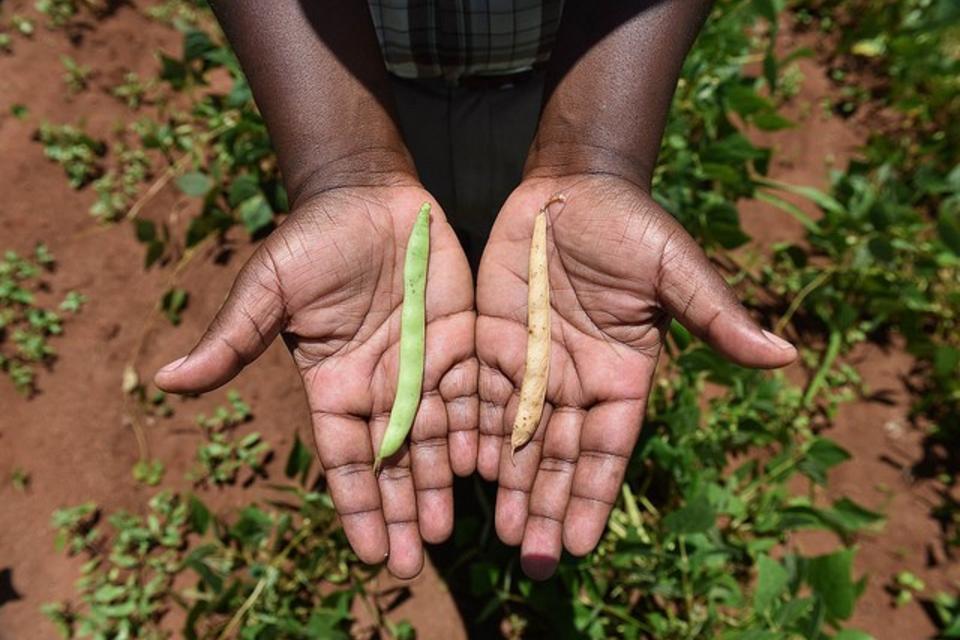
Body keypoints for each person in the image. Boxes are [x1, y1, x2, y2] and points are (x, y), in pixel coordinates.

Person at [154, 0, 797, 581]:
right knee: (443, 259)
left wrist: (596, 156)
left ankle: (477, 433)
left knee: (506, 238)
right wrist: (340, 169)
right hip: (337, 85)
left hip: (569, 76)